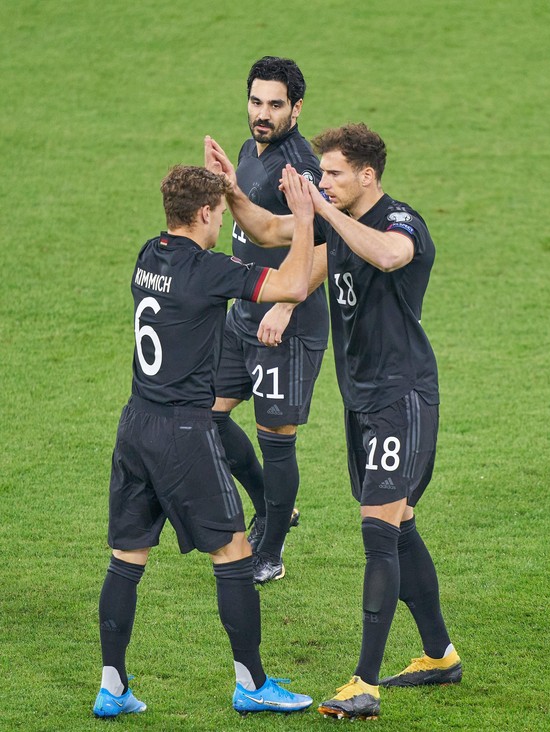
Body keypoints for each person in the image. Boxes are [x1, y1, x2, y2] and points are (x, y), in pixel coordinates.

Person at [205, 124, 461, 721]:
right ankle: (439, 654)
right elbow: (269, 231)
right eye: (322, 174)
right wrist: (232, 189)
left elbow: (390, 256)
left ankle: (363, 683)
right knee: (400, 527)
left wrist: (320, 209)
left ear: (367, 175)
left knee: (378, 530)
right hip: (362, 401)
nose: (324, 182)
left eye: (335, 174)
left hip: (403, 396)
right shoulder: (337, 224)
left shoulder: (401, 222)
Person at [92, 165, 316, 719]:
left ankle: (112, 686)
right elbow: (290, 284)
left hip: (135, 422)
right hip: (183, 432)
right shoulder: (206, 270)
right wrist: (307, 220)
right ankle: (252, 683)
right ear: (201, 215)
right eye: (218, 212)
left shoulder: (150, 254)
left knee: (127, 556)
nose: (221, 222)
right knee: (234, 551)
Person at [211, 56, 329, 585]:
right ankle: (273, 506)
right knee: (206, 416)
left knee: (274, 439)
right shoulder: (248, 150)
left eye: (275, 105)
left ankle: (272, 550)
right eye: (256, 101)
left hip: (287, 324)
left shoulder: (300, 169)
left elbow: (327, 246)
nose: (262, 113)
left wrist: (286, 303)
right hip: (244, 314)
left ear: (296, 109)